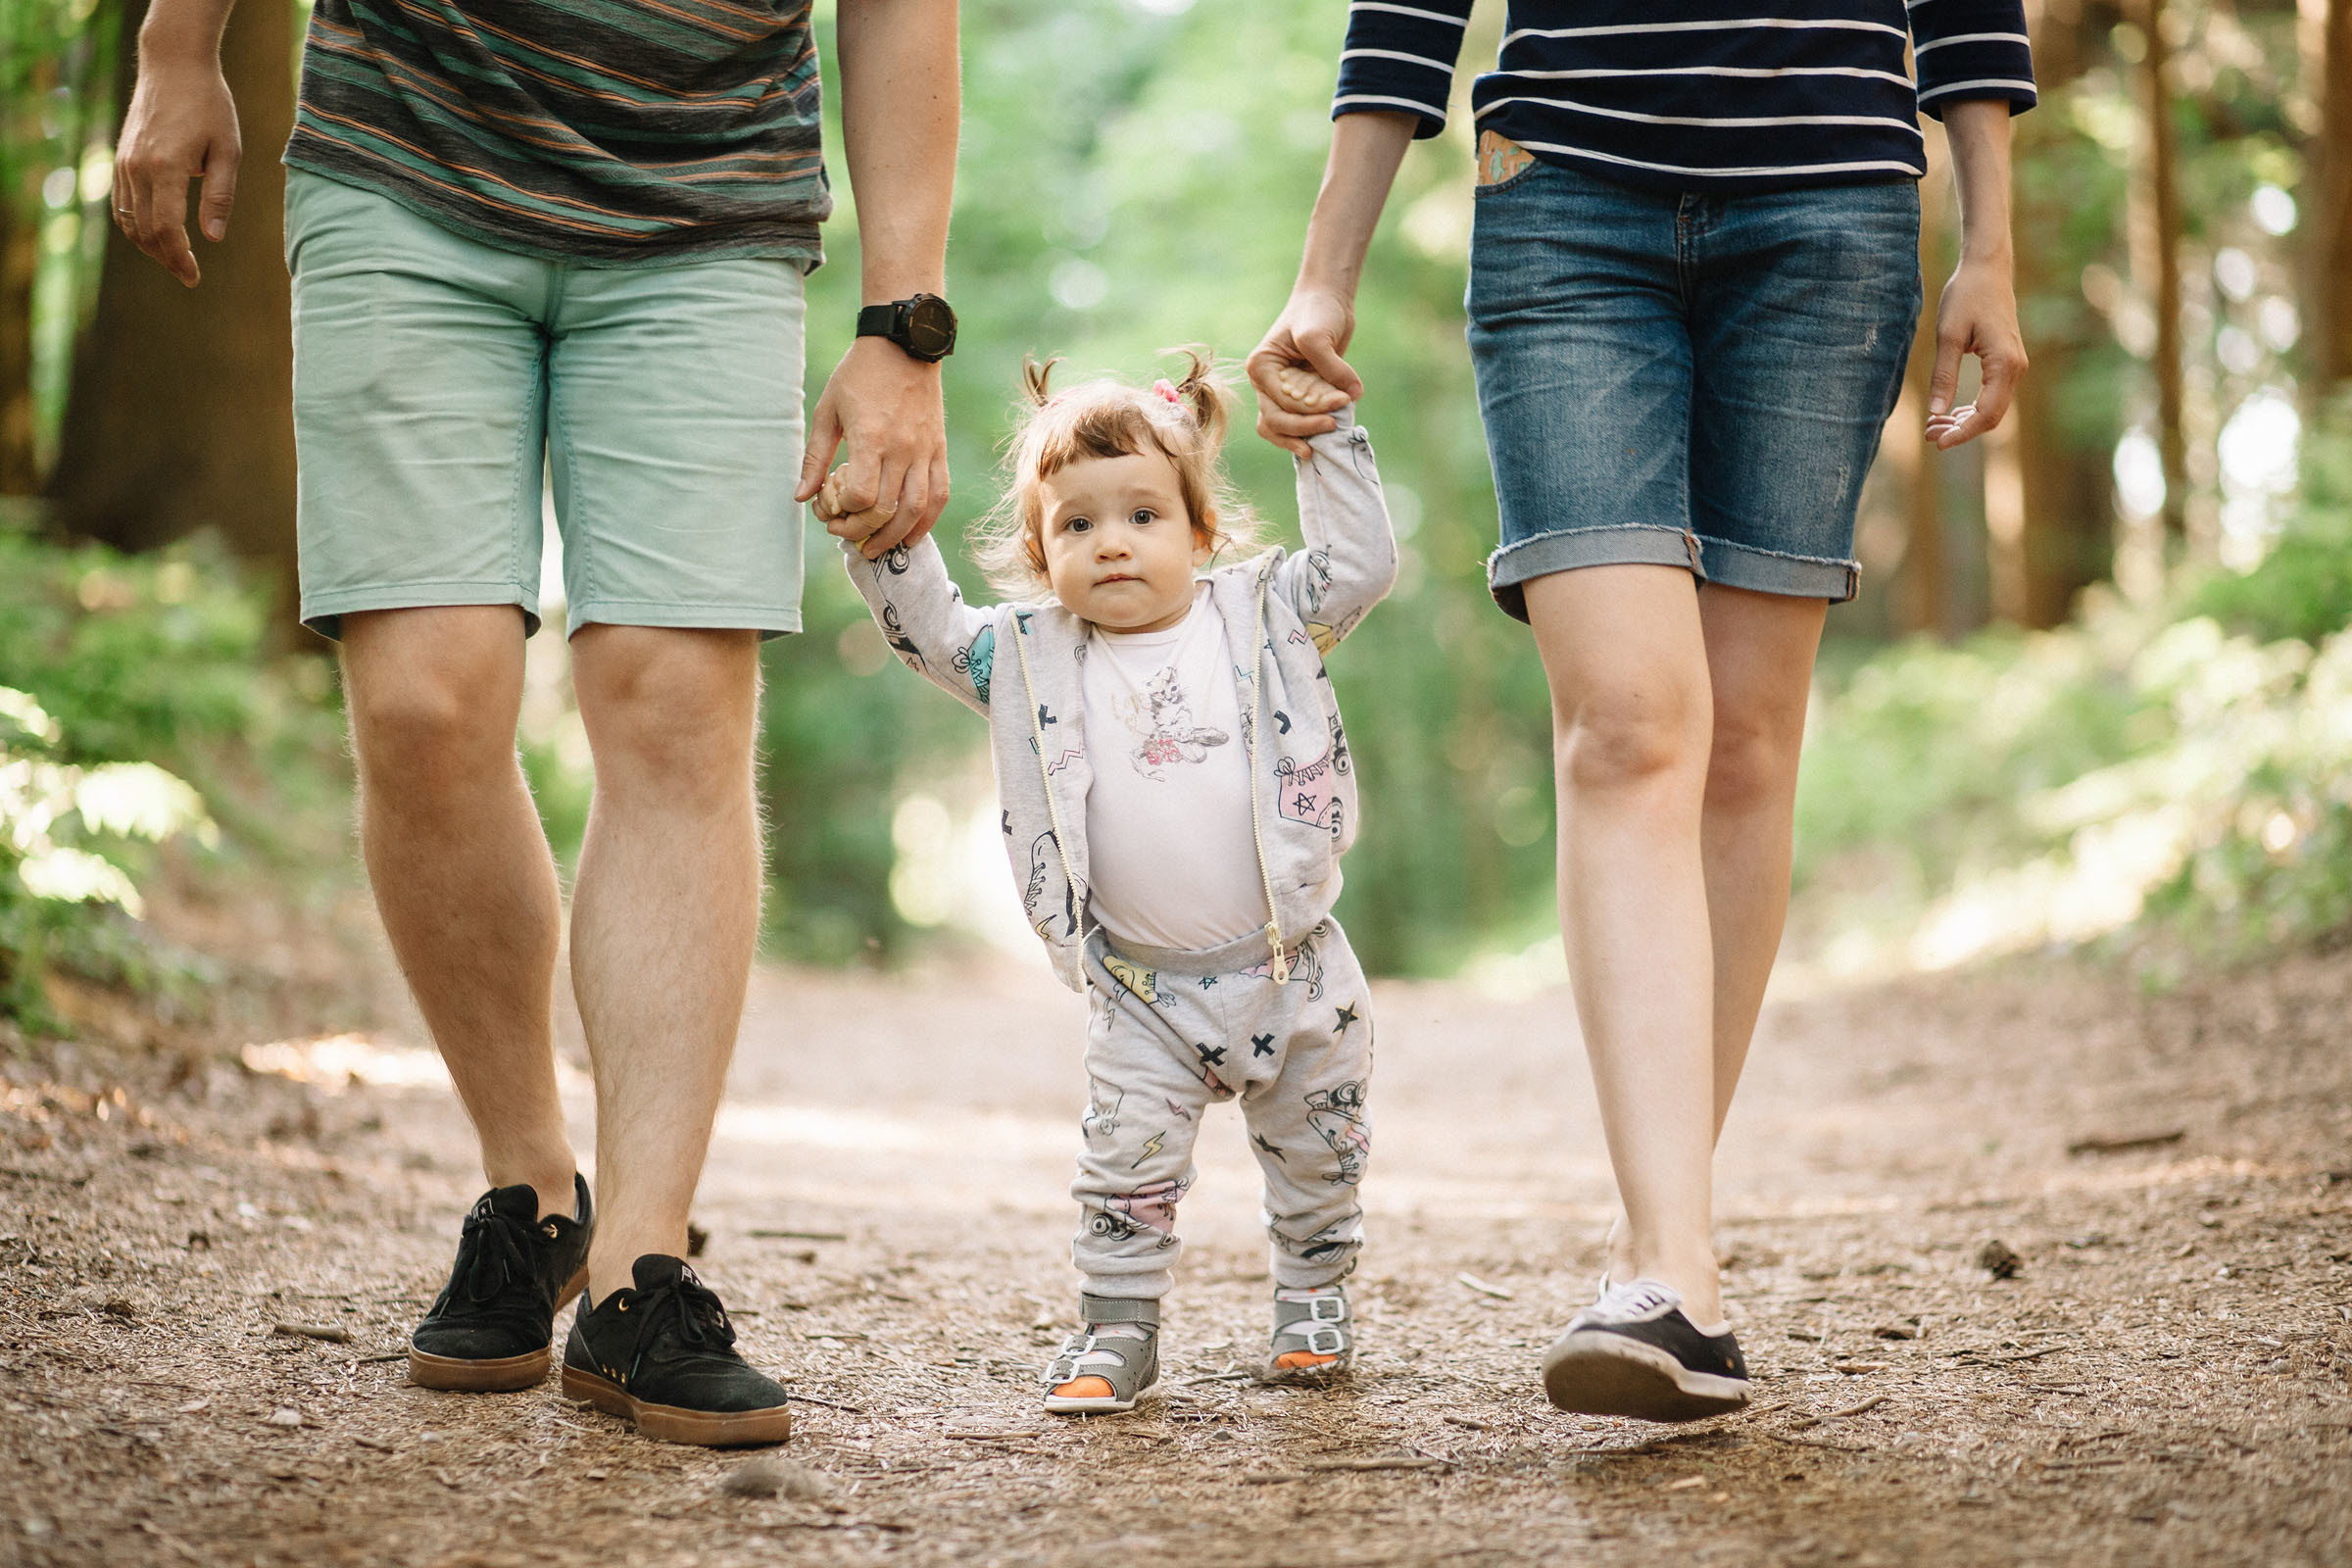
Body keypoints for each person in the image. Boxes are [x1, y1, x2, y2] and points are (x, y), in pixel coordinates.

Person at [111, 0, 960, 1446]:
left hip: (712, 203)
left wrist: (903, 323)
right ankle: (532, 1189)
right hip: (407, 154)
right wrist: (177, 48)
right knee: (422, 704)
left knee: (676, 703)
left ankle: (640, 1268)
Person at [1251, 5, 2034, 1421]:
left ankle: (1661, 1258)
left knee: (1743, 740)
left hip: (1832, 207)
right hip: (1565, 199)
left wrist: (1990, 237)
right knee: (1628, 724)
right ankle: (1677, 1269)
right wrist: (1326, 269)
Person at [828, 354, 1396, 1413]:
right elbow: (931, 630)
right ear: (1042, 551)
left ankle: (1314, 1296)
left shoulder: (1264, 616)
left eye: (1142, 513)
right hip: (1142, 989)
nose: (1113, 541)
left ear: (1200, 531)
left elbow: (1359, 568)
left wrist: (1324, 442)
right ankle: (1116, 1328)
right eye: (1077, 524)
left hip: (1294, 967)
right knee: (1124, 1169)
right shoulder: (1032, 658)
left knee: (1322, 1151)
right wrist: (881, 528)